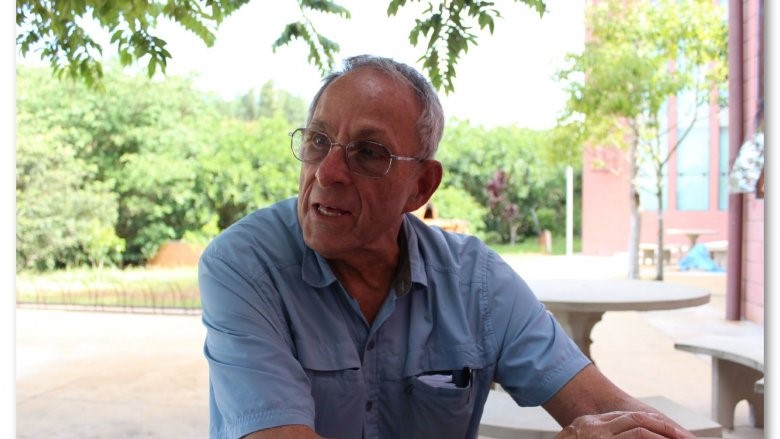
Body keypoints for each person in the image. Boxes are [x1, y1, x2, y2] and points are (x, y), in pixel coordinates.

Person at [199, 54, 695, 439]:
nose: (327, 173)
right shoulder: (243, 267)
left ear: (421, 188)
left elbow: (607, 410)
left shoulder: (476, 283)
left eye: (367, 153)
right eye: (317, 141)